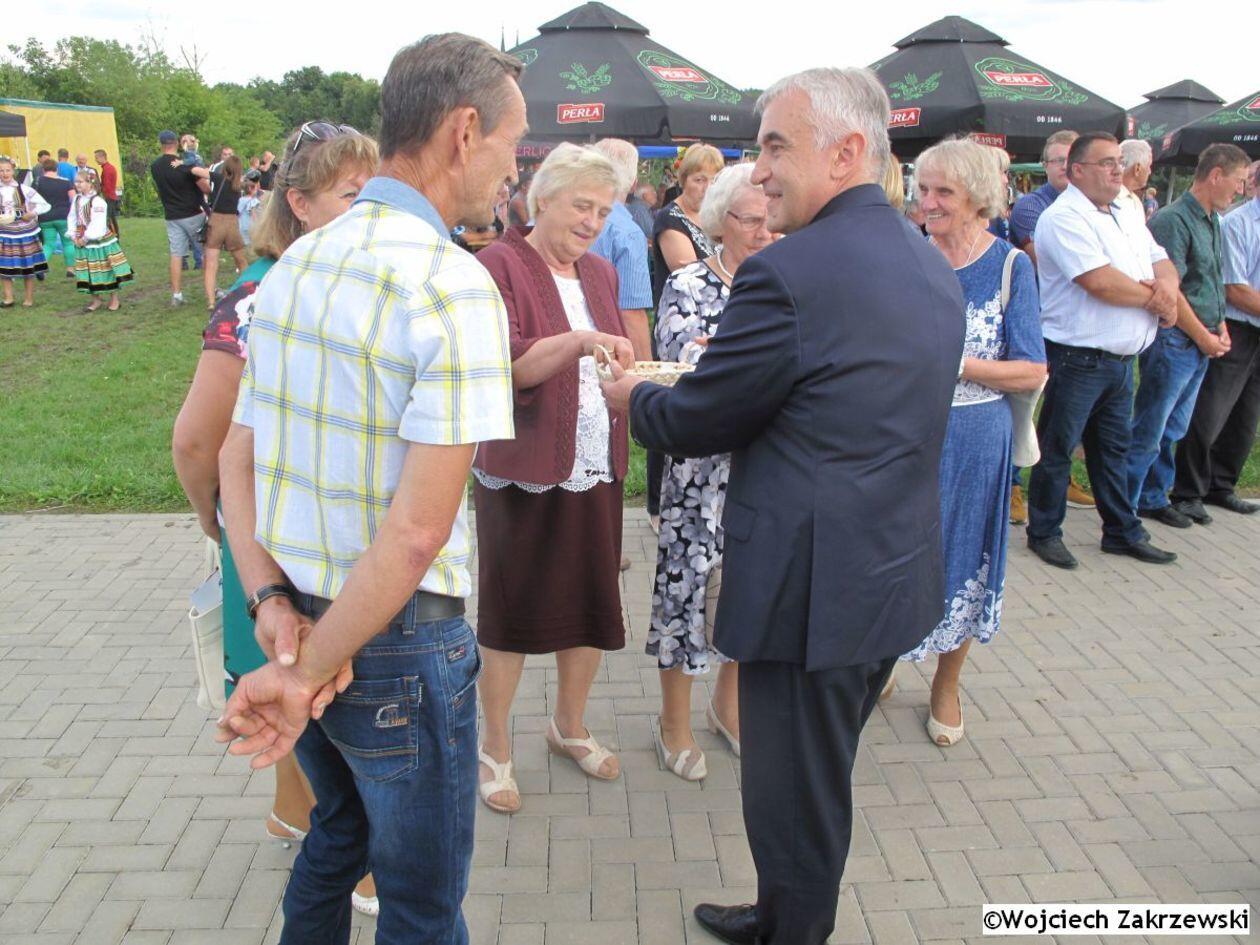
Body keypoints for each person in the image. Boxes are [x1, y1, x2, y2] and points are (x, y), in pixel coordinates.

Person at [601, 66, 964, 945]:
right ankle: (780, 911)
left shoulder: (789, 273)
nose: (758, 172)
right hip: (890, 578)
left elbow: (699, 417)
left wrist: (632, 396)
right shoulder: (928, 259)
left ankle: (792, 927)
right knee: (813, 781)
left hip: (812, 599)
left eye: (774, 147)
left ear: (846, 152)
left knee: (793, 799)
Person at [214, 34, 524, 943]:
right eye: (513, 143)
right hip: (393, 643)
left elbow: (237, 459)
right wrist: (308, 666)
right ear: (464, 132)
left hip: (302, 618)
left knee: (337, 834)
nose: (515, 169)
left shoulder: (297, 262)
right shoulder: (452, 284)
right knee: (422, 906)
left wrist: (272, 605)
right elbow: (419, 531)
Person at [172, 124, 381, 917]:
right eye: (352, 195)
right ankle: (355, 858)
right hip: (279, 546)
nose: (371, 211)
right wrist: (222, 527)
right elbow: (198, 441)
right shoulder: (262, 293)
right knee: (318, 689)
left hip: (308, 536)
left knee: (305, 688)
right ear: (298, 202)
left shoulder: (329, 280)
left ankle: (293, 811)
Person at [471, 144, 631, 815]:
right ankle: (495, 745)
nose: (592, 221)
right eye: (581, 205)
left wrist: (635, 378)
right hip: (523, 468)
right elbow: (507, 367)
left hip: (595, 462)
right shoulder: (498, 264)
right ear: (541, 200)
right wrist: (581, 341)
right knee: (511, 612)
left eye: (604, 210)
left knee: (592, 602)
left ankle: (569, 724)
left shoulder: (600, 272)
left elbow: (618, 355)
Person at [894, 139, 1046, 745]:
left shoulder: (1010, 267)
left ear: (979, 197)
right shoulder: (905, 256)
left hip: (976, 441)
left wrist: (957, 364)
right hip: (903, 436)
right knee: (894, 556)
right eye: (923, 188)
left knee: (962, 560)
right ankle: (883, 658)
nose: (927, 201)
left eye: (943, 192)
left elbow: (1031, 370)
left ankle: (946, 684)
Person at [647, 162, 771, 782]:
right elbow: (682, 371)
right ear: (722, 221)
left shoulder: (783, 285)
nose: (765, 233)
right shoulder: (690, 284)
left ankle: (729, 705)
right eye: (752, 221)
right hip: (700, 473)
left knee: (752, 589)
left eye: (773, 221)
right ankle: (673, 722)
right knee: (685, 591)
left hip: (766, 466)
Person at [1026, 132, 1180, 570]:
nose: (1118, 169)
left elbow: (1159, 258)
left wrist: (1167, 289)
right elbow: (1099, 282)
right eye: (1106, 162)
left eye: (1118, 161)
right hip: (1077, 358)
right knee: (1058, 448)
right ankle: (1044, 532)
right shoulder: (1063, 217)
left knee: (1112, 450)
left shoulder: (1127, 209)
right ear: (1077, 170)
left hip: (1120, 361)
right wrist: (1159, 300)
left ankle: (1121, 531)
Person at [1129, 144, 1250, 528]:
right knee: (1152, 425)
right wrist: (1203, 335)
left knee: (1174, 427)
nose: (1241, 190)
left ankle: (1152, 497)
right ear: (1216, 175)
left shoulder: (1211, 219)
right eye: (1238, 181)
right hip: (1176, 340)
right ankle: (1124, 507)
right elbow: (1172, 292)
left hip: (1199, 340)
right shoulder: (1173, 220)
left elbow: (1211, 282)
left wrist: (1220, 325)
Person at [1007, 129, 1094, 522]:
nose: (1063, 166)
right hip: (1036, 322)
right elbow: (1046, 262)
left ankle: (1062, 480)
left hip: (1075, 328)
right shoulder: (1032, 206)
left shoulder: (1093, 208)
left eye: (1069, 159)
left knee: (1063, 415)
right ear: (1045, 165)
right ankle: (1013, 487)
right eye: (1057, 160)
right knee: (1024, 408)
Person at [1171, 158, 1260, 518]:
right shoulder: (1238, 223)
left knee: (1246, 417)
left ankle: (1221, 485)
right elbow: (1234, 288)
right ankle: (1187, 491)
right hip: (1236, 327)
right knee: (1209, 411)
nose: (1239, 187)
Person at [647, 143, 724, 531]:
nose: (706, 187)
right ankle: (656, 504)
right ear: (683, 180)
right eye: (699, 179)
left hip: (714, 330)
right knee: (670, 404)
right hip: (679, 324)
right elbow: (685, 265)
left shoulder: (714, 218)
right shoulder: (670, 219)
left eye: (713, 179)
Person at [591, 138, 653, 359]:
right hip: (603, 355)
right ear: (634, 183)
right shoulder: (627, 233)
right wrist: (646, 371)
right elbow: (631, 314)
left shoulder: (550, 215)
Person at [151, 130, 208, 307]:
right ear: (176, 143)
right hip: (193, 213)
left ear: (161, 144)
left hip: (171, 215)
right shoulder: (184, 165)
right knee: (205, 252)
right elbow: (205, 187)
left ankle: (176, 294)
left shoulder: (155, 166)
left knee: (176, 255)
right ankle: (212, 289)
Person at [68, 169, 132, 311]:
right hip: (82, 238)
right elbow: (72, 217)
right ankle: (95, 300)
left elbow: (97, 223)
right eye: (76, 181)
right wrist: (73, 235)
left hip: (99, 241)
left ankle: (114, 299)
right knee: (88, 270)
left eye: (80, 182)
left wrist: (85, 238)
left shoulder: (98, 201)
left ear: (90, 183)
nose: (77, 184)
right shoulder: (77, 199)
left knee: (106, 269)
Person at [191, 154, 249, 309]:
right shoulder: (239, 185)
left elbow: (195, 171)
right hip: (232, 223)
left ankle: (211, 301)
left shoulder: (217, 178)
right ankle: (248, 291)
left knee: (211, 264)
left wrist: (183, 163)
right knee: (241, 260)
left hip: (216, 222)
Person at [0, 156, 50, 307]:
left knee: (28, 266)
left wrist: (32, 213)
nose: (4, 173)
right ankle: (8, 298)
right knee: (3, 266)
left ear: (13, 171)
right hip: (4, 233)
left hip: (24, 233)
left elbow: (45, 205)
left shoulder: (24, 189)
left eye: (7, 170)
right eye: (1, 171)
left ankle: (28, 299)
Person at [33, 158, 75, 278]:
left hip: (45, 217)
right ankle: (70, 269)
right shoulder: (66, 182)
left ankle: (40, 267)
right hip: (63, 216)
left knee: (48, 244)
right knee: (68, 243)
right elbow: (73, 198)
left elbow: (32, 198)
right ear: (57, 169)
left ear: (43, 169)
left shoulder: (38, 181)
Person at [1117, 139, 1153, 223]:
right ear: (1137, 168)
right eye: (1149, 166)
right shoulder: (1108, 199)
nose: (1150, 171)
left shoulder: (1136, 201)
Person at [95, 148, 121, 236]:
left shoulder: (107, 169)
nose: (96, 160)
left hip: (109, 197)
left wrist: (101, 194)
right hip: (111, 196)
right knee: (111, 218)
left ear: (102, 157)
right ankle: (115, 235)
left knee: (109, 219)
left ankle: (113, 235)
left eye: (97, 158)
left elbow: (107, 185)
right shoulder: (108, 168)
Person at [238, 171, 264, 248]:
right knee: (252, 244)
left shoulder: (240, 200)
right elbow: (253, 213)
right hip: (250, 225)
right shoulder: (253, 201)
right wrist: (257, 224)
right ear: (250, 189)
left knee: (245, 242)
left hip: (241, 225)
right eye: (255, 189)